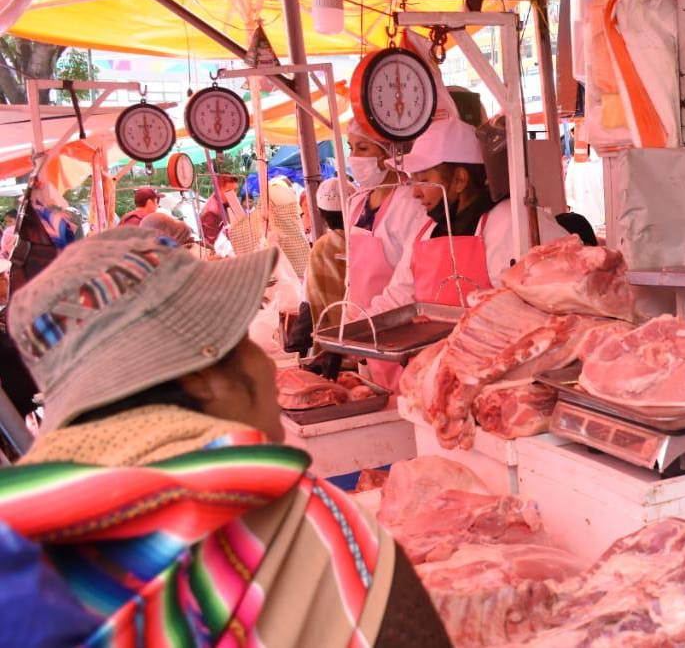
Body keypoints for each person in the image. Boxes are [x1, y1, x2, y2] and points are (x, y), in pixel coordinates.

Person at [2, 227, 451, 646]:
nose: (268, 366)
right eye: (244, 342)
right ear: (203, 377)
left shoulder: (16, 541)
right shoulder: (306, 530)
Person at [369, 117, 569, 317]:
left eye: (423, 180)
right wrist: (356, 331)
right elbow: (396, 298)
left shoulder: (510, 222)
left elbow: (555, 293)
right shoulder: (425, 230)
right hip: (445, 346)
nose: (416, 193)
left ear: (459, 180)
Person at [344, 119, 429, 320]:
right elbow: (351, 277)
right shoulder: (357, 201)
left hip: (394, 321)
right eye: (351, 148)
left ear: (388, 152)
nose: (353, 157)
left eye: (362, 148)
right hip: (356, 320)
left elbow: (407, 283)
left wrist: (367, 324)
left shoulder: (412, 202)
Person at [308, 176, 352, 330]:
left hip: (336, 336)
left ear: (321, 213)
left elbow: (312, 298)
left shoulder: (321, 248)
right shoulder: (366, 238)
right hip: (369, 326)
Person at [200, 173, 239, 246]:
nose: (234, 195)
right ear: (218, 189)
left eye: (236, 190)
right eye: (229, 191)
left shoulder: (227, 201)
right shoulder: (212, 212)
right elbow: (211, 245)